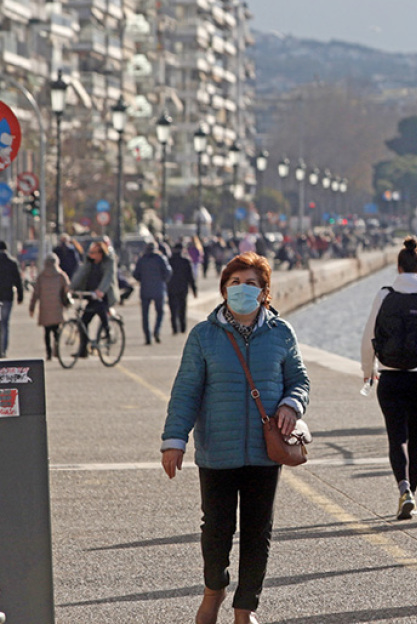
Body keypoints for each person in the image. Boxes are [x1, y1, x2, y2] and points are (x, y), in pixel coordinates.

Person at [161, 252, 310, 624]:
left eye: (252, 284)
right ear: (224, 289)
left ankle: (246, 608)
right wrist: (174, 440)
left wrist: (292, 404)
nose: (243, 289)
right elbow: (186, 392)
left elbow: (300, 380)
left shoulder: (281, 333)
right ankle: (215, 590)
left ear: (264, 293)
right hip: (217, 451)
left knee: (259, 531)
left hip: (266, 449)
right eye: (235, 282)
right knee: (216, 529)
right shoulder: (204, 335)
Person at [360, 237, 417, 520]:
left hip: (390, 378)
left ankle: (403, 489)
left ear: (398, 266)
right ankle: (411, 496)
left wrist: (368, 372)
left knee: (397, 437)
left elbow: (369, 336)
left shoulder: (384, 295)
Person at [70, 241, 117, 359]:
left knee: (101, 309)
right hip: (91, 295)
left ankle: (108, 332)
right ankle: (83, 350)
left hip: (104, 295)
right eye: (90, 252)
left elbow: (108, 276)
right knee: (83, 322)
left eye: (93, 252)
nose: (90, 254)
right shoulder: (89, 262)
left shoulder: (109, 261)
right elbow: (81, 273)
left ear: (100, 253)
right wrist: (71, 287)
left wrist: (101, 290)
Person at [29, 253, 71, 361]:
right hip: (57, 308)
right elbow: (67, 288)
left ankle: (48, 352)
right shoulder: (61, 275)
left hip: (45, 309)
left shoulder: (41, 277)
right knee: (57, 331)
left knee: (46, 332)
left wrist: (32, 307)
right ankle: (56, 350)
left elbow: (35, 294)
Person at [134, 241, 172, 344]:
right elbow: (168, 272)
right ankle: (157, 331)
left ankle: (147, 336)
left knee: (145, 314)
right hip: (159, 289)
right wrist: (163, 280)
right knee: (160, 311)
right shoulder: (161, 258)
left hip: (145, 290)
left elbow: (135, 274)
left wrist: (142, 279)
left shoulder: (142, 259)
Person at [0, 241, 24, 358]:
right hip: (7, 297)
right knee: (4, 324)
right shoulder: (12, 263)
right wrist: (20, 296)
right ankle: (3, 350)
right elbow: (18, 281)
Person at [168, 243, 199, 334]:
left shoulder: (169, 261)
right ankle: (183, 327)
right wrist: (194, 290)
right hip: (183, 288)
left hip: (171, 288)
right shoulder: (186, 261)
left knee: (173, 309)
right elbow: (190, 277)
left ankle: (174, 328)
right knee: (183, 308)